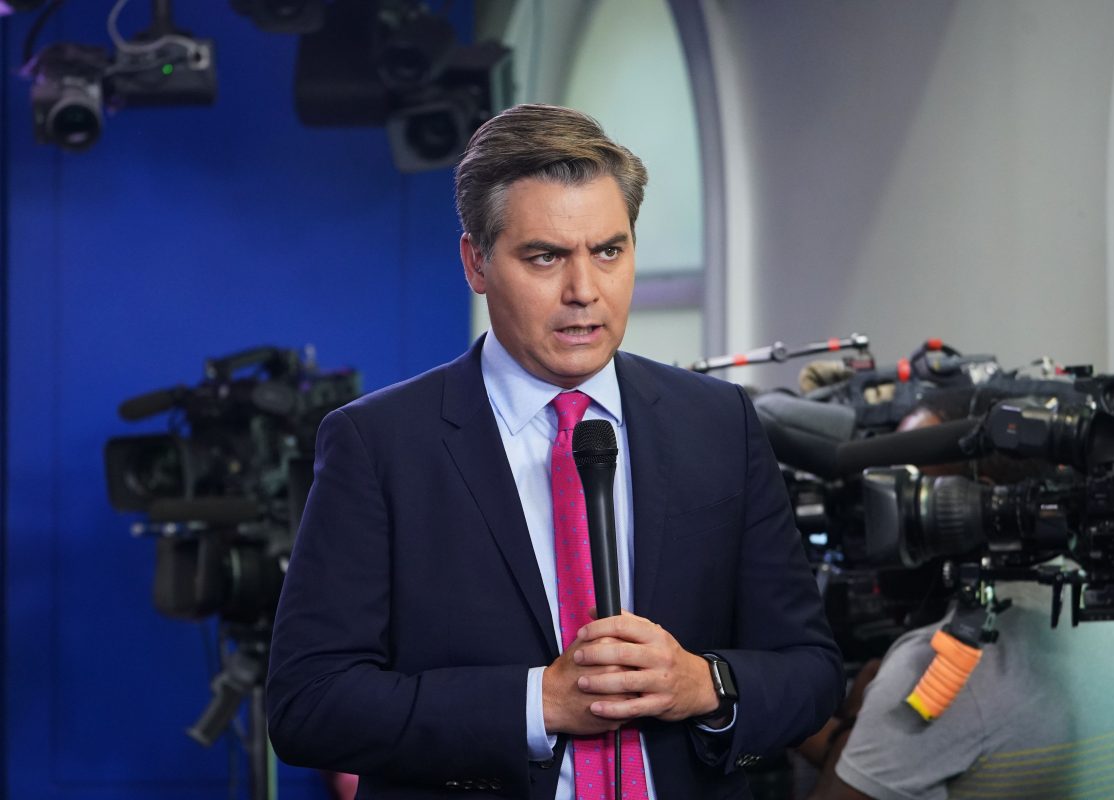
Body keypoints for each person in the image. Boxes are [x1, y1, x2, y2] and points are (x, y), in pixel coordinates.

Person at [265, 103, 844, 799]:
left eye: (609, 251)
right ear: (476, 262)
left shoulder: (718, 422)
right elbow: (309, 706)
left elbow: (811, 672)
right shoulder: (378, 444)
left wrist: (706, 682)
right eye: (545, 256)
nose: (584, 292)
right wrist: (538, 703)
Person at [799, 391, 1114, 800]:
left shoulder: (937, 672)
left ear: (969, 505)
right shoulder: (1105, 607)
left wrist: (815, 721)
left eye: (911, 486)